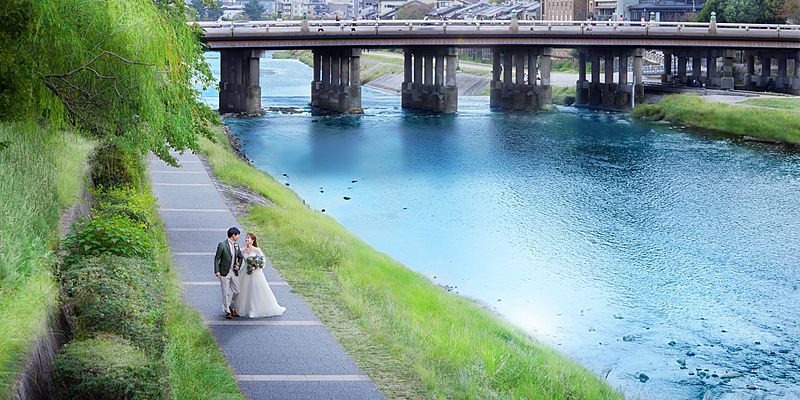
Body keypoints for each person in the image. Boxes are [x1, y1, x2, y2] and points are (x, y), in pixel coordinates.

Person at [234, 233, 286, 318]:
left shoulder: (257, 250)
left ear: (253, 240)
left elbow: (263, 261)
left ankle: (255, 309)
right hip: (246, 272)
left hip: (256, 273)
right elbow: (239, 261)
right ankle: (246, 308)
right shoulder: (242, 250)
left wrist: (255, 266)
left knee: (256, 290)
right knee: (245, 290)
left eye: (249, 238)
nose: (247, 239)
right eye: (246, 238)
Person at [214, 227, 243, 319]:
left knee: (237, 291)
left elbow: (240, 257)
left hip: (233, 271)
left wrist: (238, 266)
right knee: (225, 291)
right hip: (224, 272)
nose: (238, 237)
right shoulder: (222, 245)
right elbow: (216, 258)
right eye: (237, 235)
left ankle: (230, 306)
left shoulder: (236, 245)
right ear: (233, 235)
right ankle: (228, 311)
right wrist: (217, 270)